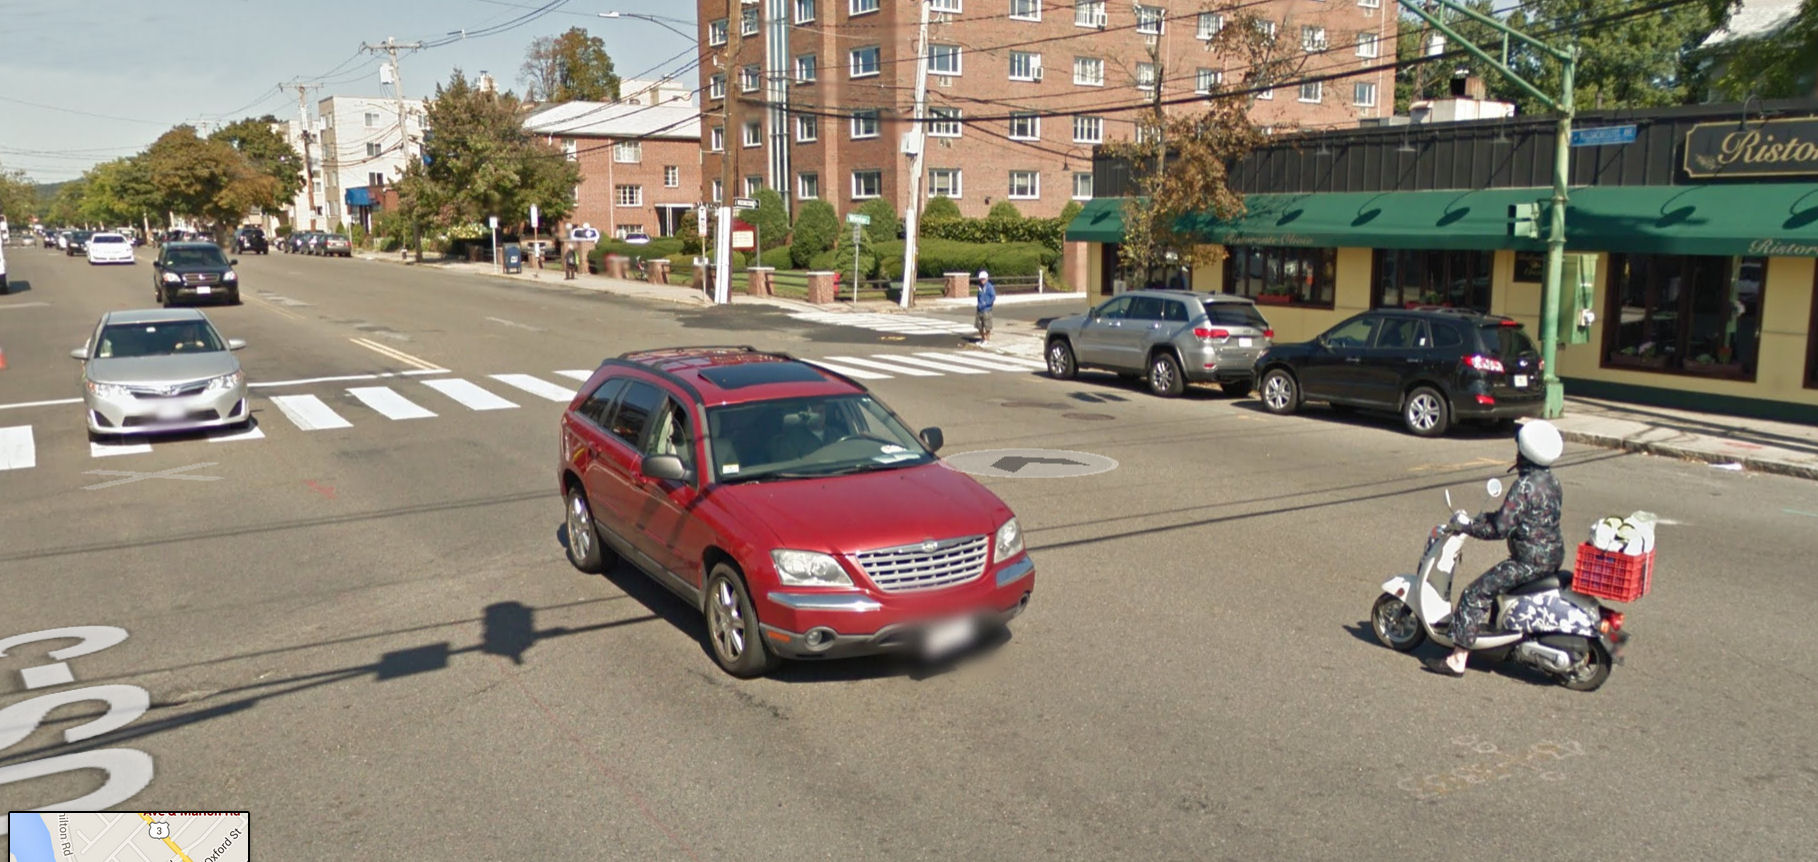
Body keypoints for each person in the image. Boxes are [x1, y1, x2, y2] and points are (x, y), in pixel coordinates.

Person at [1424, 420, 1566, 677]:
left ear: (1524, 453)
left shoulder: (1524, 486)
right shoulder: (1552, 482)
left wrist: (1468, 527)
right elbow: (1520, 518)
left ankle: (1457, 660)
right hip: (1553, 556)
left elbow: (1500, 528)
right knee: (1498, 589)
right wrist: (1477, 519)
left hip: (1528, 561)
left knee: (1474, 594)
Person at [975, 269, 997, 345]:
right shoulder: (980, 287)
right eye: (981, 279)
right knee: (979, 326)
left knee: (987, 325)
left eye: (983, 279)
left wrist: (987, 303)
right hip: (979, 309)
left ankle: (987, 340)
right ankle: (982, 338)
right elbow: (978, 296)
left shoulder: (989, 287)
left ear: (987, 278)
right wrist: (978, 304)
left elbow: (993, 297)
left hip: (987, 309)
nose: (982, 280)